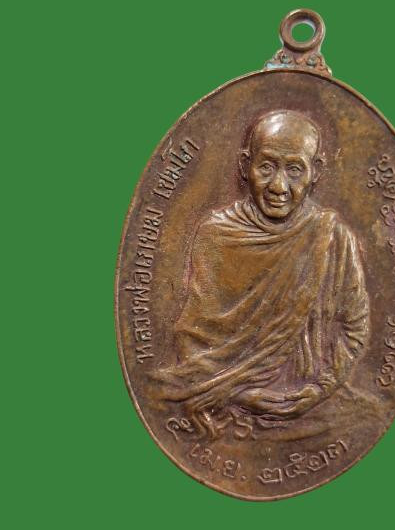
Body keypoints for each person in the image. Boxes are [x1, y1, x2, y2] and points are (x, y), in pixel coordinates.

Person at [150, 110, 370, 439]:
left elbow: (354, 328)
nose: (279, 186)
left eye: (294, 169)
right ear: (245, 166)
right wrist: (243, 396)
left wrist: (318, 390)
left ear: (316, 171)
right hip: (225, 401)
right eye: (266, 167)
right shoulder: (216, 235)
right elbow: (193, 338)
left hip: (312, 402)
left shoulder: (333, 238)